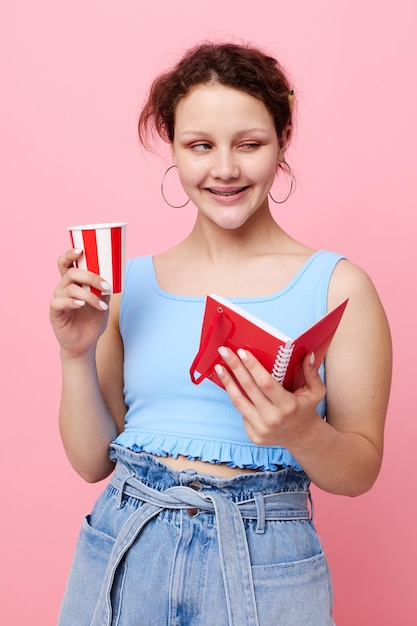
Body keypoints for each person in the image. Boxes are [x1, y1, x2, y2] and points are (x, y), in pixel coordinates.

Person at [50, 42, 392, 626]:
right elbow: (90, 463)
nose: (225, 169)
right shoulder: (128, 285)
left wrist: (300, 432)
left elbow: (359, 471)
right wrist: (75, 352)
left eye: (250, 144)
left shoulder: (340, 288)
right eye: (200, 146)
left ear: (282, 143)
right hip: (126, 541)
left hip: (263, 556)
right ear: (174, 150)